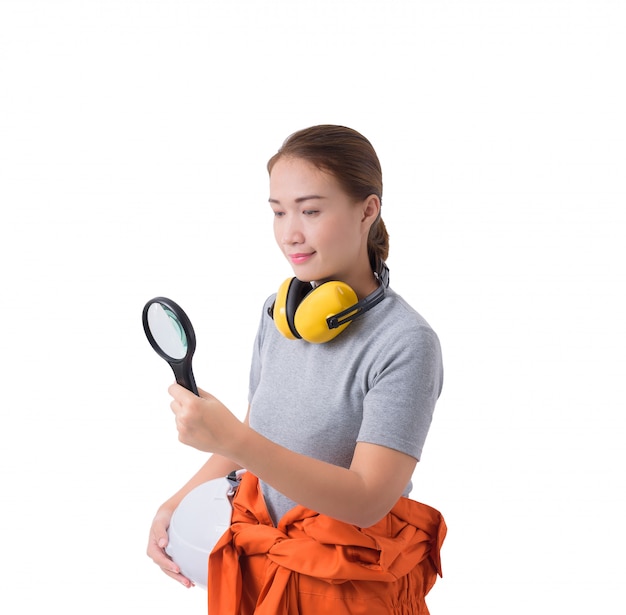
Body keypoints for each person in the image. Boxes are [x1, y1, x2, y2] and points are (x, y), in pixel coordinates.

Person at [147, 125, 446, 614]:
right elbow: (254, 431)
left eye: (310, 211)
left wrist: (232, 441)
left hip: (350, 590)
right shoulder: (277, 313)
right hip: (262, 575)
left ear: (368, 210)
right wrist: (176, 501)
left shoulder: (406, 343)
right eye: (278, 212)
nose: (290, 233)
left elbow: (367, 500)